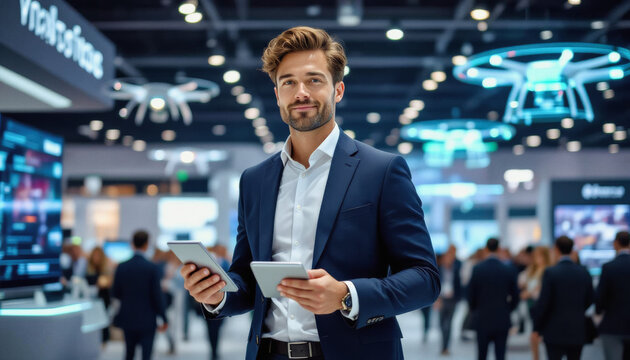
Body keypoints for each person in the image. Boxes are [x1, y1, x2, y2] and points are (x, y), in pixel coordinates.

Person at [180, 26, 440, 360]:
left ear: (338, 90)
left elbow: (425, 278)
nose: (301, 92)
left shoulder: (382, 171)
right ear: (277, 95)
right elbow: (247, 280)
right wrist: (216, 293)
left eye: (314, 80)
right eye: (288, 82)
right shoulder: (255, 180)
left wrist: (347, 295)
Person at [533, 236, 594, 360]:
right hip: (577, 329)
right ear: (572, 249)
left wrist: (537, 326)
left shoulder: (551, 272)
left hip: (554, 330)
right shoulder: (583, 272)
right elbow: (590, 299)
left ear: (556, 249)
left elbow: (544, 302)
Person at [112, 231, 168, 360]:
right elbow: (157, 296)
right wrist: (164, 318)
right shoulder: (152, 268)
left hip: (128, 317)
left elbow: (115, 292)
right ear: (146, 244)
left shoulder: (122, 267)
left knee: (129, 353)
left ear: (133, 244)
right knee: (146, 355)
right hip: (147, 319)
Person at [467, 238, 519, 360]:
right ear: (499, 248)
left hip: (482, 318)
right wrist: (508, 309)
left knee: (481, 354)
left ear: (486, 249)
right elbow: (516, 295)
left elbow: (470, 294)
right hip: (502, 318)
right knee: (500, 354)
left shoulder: (478, 269)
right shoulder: (508, 269)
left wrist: (475, 309)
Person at [596, 231, 630, 360]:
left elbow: (600, 297)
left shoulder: (609, 267)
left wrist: (599, 311)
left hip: (613, 325)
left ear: (615, 243)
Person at [518, 246, 551, 360]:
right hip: (531, 305)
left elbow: (541, 289)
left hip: (543, 305)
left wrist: (530, 292)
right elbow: (522, 281)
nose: (537, 259)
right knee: (533, 335)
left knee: (539, 335)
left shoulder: (548, 270)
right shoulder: (532, 269)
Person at [435, 245, 462, 355]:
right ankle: (443, 343)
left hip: (452, 299)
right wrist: (436, 299)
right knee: (441, 324)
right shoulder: (439, 269)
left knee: (449, 324)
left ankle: (445, 347)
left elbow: (460, 284)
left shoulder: (457, 268)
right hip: (441, 299)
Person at [85, 246, 114, 345]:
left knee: (103, 322)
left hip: (103, 299)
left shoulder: (106, 269)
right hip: (91, 299)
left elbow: (109, 283)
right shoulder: (88, 268)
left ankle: (103, 341)